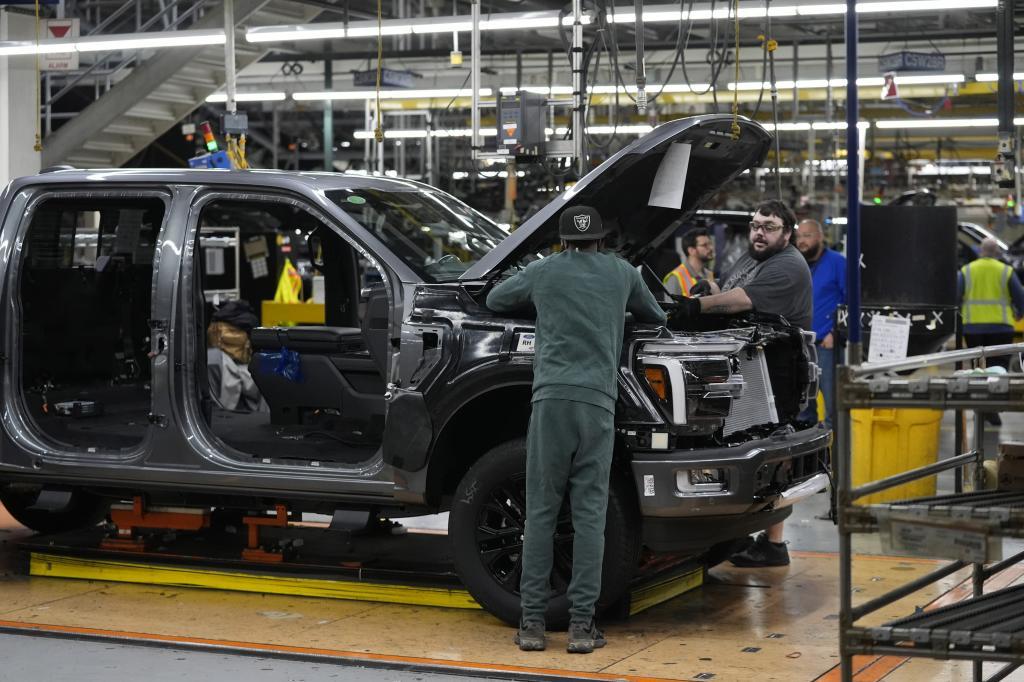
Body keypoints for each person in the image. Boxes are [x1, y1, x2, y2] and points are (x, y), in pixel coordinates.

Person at [486, 205, 666, 654]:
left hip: (551, 403)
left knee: (541, 511)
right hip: (597, 406)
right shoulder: (622, 273)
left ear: (562, 241)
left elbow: (494, 300)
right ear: (602, 239)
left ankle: (531, 626)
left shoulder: (545, 271)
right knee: (589, 517)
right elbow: (657, 316)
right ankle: (582, 628)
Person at [672, 199, 812, 568]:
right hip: (752, 366)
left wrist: (695, 307)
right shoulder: (754, 257)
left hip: (780, 369)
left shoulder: (788, 265)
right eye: (755, 224)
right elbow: (730, 286)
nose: (759, 232)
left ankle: (774, 543)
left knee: (774, 452)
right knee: (741, 446)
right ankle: (741, 533)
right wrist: (709, 286)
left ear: (787, 233)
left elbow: (740, 300)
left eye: (769, 227)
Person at [958, 238, 1024, 426]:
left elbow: (956, 296)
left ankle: (980, 407)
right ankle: (993, 408)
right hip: (1001, 327)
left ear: (980, 250)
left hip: (972, 328)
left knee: (979, 370)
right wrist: (1019, 313)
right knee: (999, 369)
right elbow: (1020, 297)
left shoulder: (967, 270)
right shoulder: (1006, 271)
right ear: (996, 252)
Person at [795, 218, 846, 426]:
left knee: (834, 408)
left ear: (821, 237)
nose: (802, 241)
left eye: (807, 236)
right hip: (800, 344)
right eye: (799, 236)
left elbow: (850, 301)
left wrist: (835, 332)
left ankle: (837, 455)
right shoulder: (796, 263)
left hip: (826, 345)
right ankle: (809, 454)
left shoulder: (837, 263)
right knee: (802, 408)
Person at [663, 227, 715, 297]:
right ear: (691, 250)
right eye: (704, 245)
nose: (711, 248)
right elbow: (671, 307)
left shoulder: (709, 274)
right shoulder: (675, 278)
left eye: (710, 244)